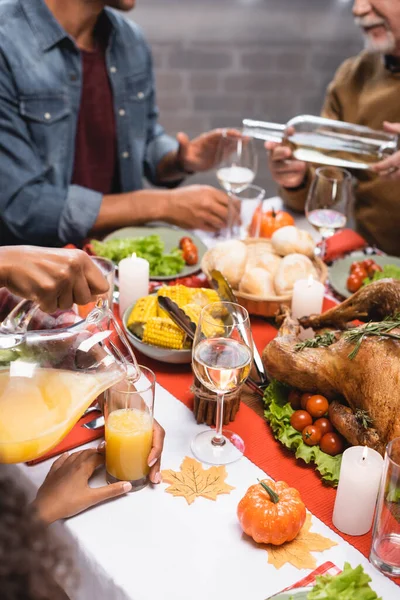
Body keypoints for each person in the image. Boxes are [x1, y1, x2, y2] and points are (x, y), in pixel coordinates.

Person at [0, 0, 238, 247]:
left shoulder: (130, 39)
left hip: (121, 261)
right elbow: (22, 206)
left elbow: (144, 140)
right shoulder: (6, 40)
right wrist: (162, 205)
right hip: (35, 273)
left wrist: (179, 160)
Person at [266, 0, 400, 256]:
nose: (358, 9)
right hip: (372, 267)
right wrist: (298, 179)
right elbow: (325, 188)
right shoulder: (354, 77)